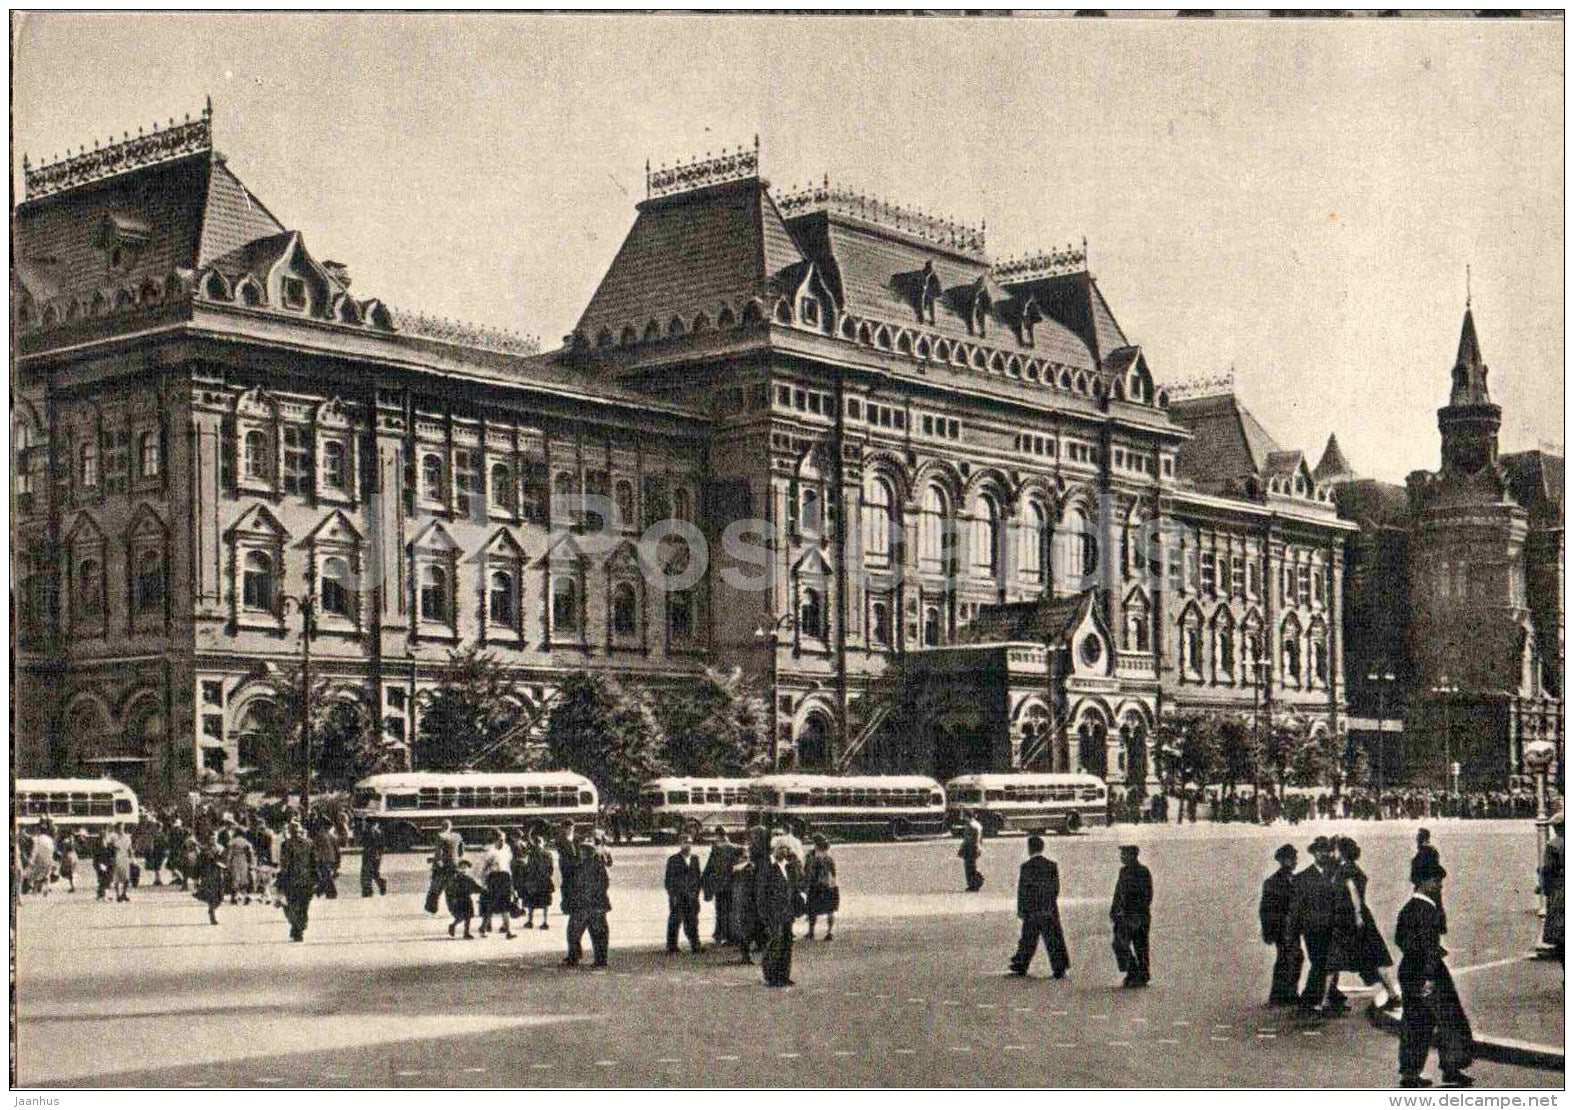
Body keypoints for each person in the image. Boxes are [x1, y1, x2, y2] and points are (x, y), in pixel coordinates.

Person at [1395, 857, 1474, 1088]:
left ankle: (1410, 1073)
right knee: (1449, 1019)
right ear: (1425, 882)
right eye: (1436, 881)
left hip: (1409, 970)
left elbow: (1402, 940)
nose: (1440, 885)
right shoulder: (1428, 910)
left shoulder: (1408, 908)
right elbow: (1429, 946)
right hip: (1429, 973)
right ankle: (1451, 1069)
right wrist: (1430, 977)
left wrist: (1416, 953)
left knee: (1414, 1022)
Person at [1333, 836, 1402, 1013]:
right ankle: (1392, 994)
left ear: (1342, 852)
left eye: (1336, 850)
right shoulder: (1356, 869)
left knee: (1333, 958)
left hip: (1352, 918)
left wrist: (1356, 916)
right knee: (1376, 956)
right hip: (1363, 916)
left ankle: (1325, 998)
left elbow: (1353, 893)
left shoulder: (1344, 870)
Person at [1286, 836, 1342, 1014]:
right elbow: (1295, 909)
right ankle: (1308, 1001)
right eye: (1319, 851)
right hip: (1313, 929)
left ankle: (1327, 997)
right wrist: (1292, 934)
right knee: (1319, 963)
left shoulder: (1335, 873)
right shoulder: (1303, 878)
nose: (1322, 854)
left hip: (1333, 927)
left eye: (1325, 850)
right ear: (1313, 854)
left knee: (1331, 963)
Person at [1008, 835, 1070, 979]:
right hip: (1049, 908)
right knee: (1054, 938)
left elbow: (1022, 890)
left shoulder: (1026, 867)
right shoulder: (1052, 865)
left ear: (1029, 849)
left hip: (1032, 909)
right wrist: (1050, 903)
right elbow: (1056, 888)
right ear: (1043, 848)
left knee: (1028, 938)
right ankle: (1060, 967)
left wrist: (1021, 909)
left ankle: (1021, 964)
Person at [1259, 844, 1303, 1006]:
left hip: (1290, 928)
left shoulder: (1288, 880)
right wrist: (1268, 932)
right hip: (1282, 928)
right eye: (1293, 859)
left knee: (1289, 958)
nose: (1296, 862)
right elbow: (1266, 910)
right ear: (1285, 861)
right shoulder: (1274, 882)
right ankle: (1284, 995)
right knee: (1289, 958)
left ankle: (1284, 994)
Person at [759, 841, 803, 987]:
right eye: (781, 848)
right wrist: (764, 914)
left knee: (786, 944)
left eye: (786, 848)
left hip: (787, 912)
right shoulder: (767, 868)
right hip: (773, 913)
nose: (784, 851)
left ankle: (783, 975)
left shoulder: (789, 867)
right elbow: (761, 894)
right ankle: (769, 975)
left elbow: (794, 888)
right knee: (774, 943)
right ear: (774, 850)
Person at [563, 836, 611, 968]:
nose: (581, 853)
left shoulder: (584, 867)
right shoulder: (595, 867)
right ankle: (600, 959)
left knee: (575, 932)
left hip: (586, 905)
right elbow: (605, 884)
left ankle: (575, 957)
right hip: (594, 905)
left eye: (583, 851)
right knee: (598, 934)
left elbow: (577, 886)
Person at [1110, 844, 1152, 987]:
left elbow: (1147, 895)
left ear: (1133, 856)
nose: (1122, 857)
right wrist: (1114, 910)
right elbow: (1118, 892)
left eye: (1124, 855)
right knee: (1119, 943)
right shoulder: (1123, 871)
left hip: (1138, 915)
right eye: (1122, 855)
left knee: (1140, 945)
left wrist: (1135, 912)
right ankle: (1133, 970)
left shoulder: (1143, 871)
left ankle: (1141, 973)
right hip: (1124, 915)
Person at [700, 827, 741, 946]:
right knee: (730, 910)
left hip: (719, 885)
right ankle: (730, 935)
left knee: (720, 910)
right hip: (732, 884)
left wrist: (704, 881)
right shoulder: (735, 848)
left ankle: (720, 934)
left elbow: (710, 866)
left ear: (717, 835)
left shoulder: (717, 848)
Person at [664, 833, 704, 954]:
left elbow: (698, 876)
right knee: (675, 920)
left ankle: (695, 944)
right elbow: (668, 879)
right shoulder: (673, 860)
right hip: (678, 895)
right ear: (680, 844)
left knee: (692, 920)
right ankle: (672, 946)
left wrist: (696, 892)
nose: (688, 845)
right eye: (685, 843)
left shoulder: (695, 859)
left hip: (691, 895)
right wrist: (673, 894)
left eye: (690, 843)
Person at [277, 820, 316, 942]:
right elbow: (314, 862)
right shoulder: (309, 843)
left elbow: (285, 864)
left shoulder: (286, 844)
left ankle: (297, 928)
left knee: (293, 905)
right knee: (304, 906)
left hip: (291, 880)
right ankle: (299, 927)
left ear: (290, 832)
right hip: (307, 880)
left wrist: (281, 879)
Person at [478, 828, 515, 939]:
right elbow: (484, 868)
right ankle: (483, 929)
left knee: (506, 905)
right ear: (495, 840)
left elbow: (508, 865)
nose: (502, 841)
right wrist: (483, 882)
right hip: (494, 878)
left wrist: (511, 882)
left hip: (505, 878)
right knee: (490, 905)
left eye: (504, 839)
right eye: (500, 839)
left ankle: (509, 931)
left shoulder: (507, 849)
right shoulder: (490, 851)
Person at [803, 835, 839, 942]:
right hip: (829, 885)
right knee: (830, 910)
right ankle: (829, 932)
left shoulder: (811, 855)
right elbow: (833, 872)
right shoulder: (829, 856)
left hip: (815, 885)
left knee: (812, 910)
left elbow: (807, 871)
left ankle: (811, 932)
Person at [425, 820, 465, 914]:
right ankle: (454, 910)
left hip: (443, 866)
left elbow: (438, 853)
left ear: (442, 827)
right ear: (451, 827)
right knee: (451, 889)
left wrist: (434, 861)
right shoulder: (457, 836)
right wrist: (458, 860)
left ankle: (432, 909)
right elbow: (461, 851)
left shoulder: (440, 836)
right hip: (454, 865)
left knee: (435, 888)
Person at [519, 830, 556, 929]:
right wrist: (548, 876)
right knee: (545, 903)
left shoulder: (531, 854)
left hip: (534, 881)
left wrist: (528, 879)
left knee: (532, 902)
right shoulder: (548, 853)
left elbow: (528, 867)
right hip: (543, 880)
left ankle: (530, 921)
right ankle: (544, 921)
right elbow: (551, 868)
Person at [1540, 810, 1564, 961]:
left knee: (1561, 934)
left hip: (1560, 891)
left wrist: (1547, 889)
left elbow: (1548, 870)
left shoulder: (1554, 844)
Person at [444, 860, 485, 939]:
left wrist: (483, 890)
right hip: (458, 899)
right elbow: (450, 889)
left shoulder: (468, 878)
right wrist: (452, 899)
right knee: (461, 916)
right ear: (459, 867)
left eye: (466, 867)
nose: (464, 868)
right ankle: (453, 926)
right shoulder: (454, 878)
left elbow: (475, 887)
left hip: (466, 899)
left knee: (468, 916)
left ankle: (466, 933)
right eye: (463, 866)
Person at [195, 832, 227, 925]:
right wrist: (196, 878)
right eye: (211, 838)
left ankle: (212, 909)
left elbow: (225, 860)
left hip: (219, 873)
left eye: (215, 838)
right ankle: (212, 914)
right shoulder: (204, 850)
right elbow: (199, 864)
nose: (213, 840)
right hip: (208, 874)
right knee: (211, 895)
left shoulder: (221, 848)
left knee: (220, 896)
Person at [225, 823, 257, 905]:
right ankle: (245, 896)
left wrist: (228, 864)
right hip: (244, 860)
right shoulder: (246, 842)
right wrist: (251, 863)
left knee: (235, 878)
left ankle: (234, 897)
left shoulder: (232, 842)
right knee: (243, 878)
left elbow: (230, 854)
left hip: (235, 859)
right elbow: (250, 853)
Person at [311, 821, 341, 899]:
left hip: (323, 859)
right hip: (330, 859)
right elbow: (337, 850)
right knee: (327, 876)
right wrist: (338, 861)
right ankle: (327, 892)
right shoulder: (333, 836)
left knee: (326, 877)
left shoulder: (320, 836)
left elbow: (315, 848)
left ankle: (321, 891)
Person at [106, 822, 134, 902]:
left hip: (125, 858)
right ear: (117, 828)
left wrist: (132, 858)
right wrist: (110, 857)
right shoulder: (113, 837)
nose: (121, 829)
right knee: (117, 878)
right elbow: (109, 848)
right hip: (116, 858)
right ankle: (118, 895)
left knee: (127, 878)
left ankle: (124, 893)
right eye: (120, 827)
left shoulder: (127, 837)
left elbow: (130, 848)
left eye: (123, 827)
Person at [958, 809, 985, 892]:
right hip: (976, 847)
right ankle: (975, 883)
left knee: (969, 868)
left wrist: (962, 848)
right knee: (973, 867)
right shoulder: (978, 825)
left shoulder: (971, 826)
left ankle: (973, 884)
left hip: (971, 848)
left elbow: (968, 839)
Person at [25, 825, 56, 895]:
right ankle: (47, 888)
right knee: (47, 875)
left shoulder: (37, 839)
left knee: (36, 875)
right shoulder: (50, 839)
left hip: (39, 858)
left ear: (39, 831)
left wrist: (31, 859)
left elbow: (35, 850)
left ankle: (35, 890)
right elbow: (53, 849)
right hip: (48, 858)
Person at [359, 821, 387, 898]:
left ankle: (367, 890)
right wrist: (379, 855)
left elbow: (362, 842)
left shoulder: (367, 831)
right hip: (376, 855)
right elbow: (382, 845)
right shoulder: (378, 832)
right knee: (374, 872)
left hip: (368, 854)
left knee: (366, 873)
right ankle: (381, 884)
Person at [56, 829, 78, 894]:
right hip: (74, 856)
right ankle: (73, 885)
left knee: (66, 872)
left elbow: (64, 851)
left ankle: (73, 886)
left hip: (68, 857)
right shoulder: (72, 840)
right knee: (71, 872)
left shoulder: (65, 841)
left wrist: (62, 858)